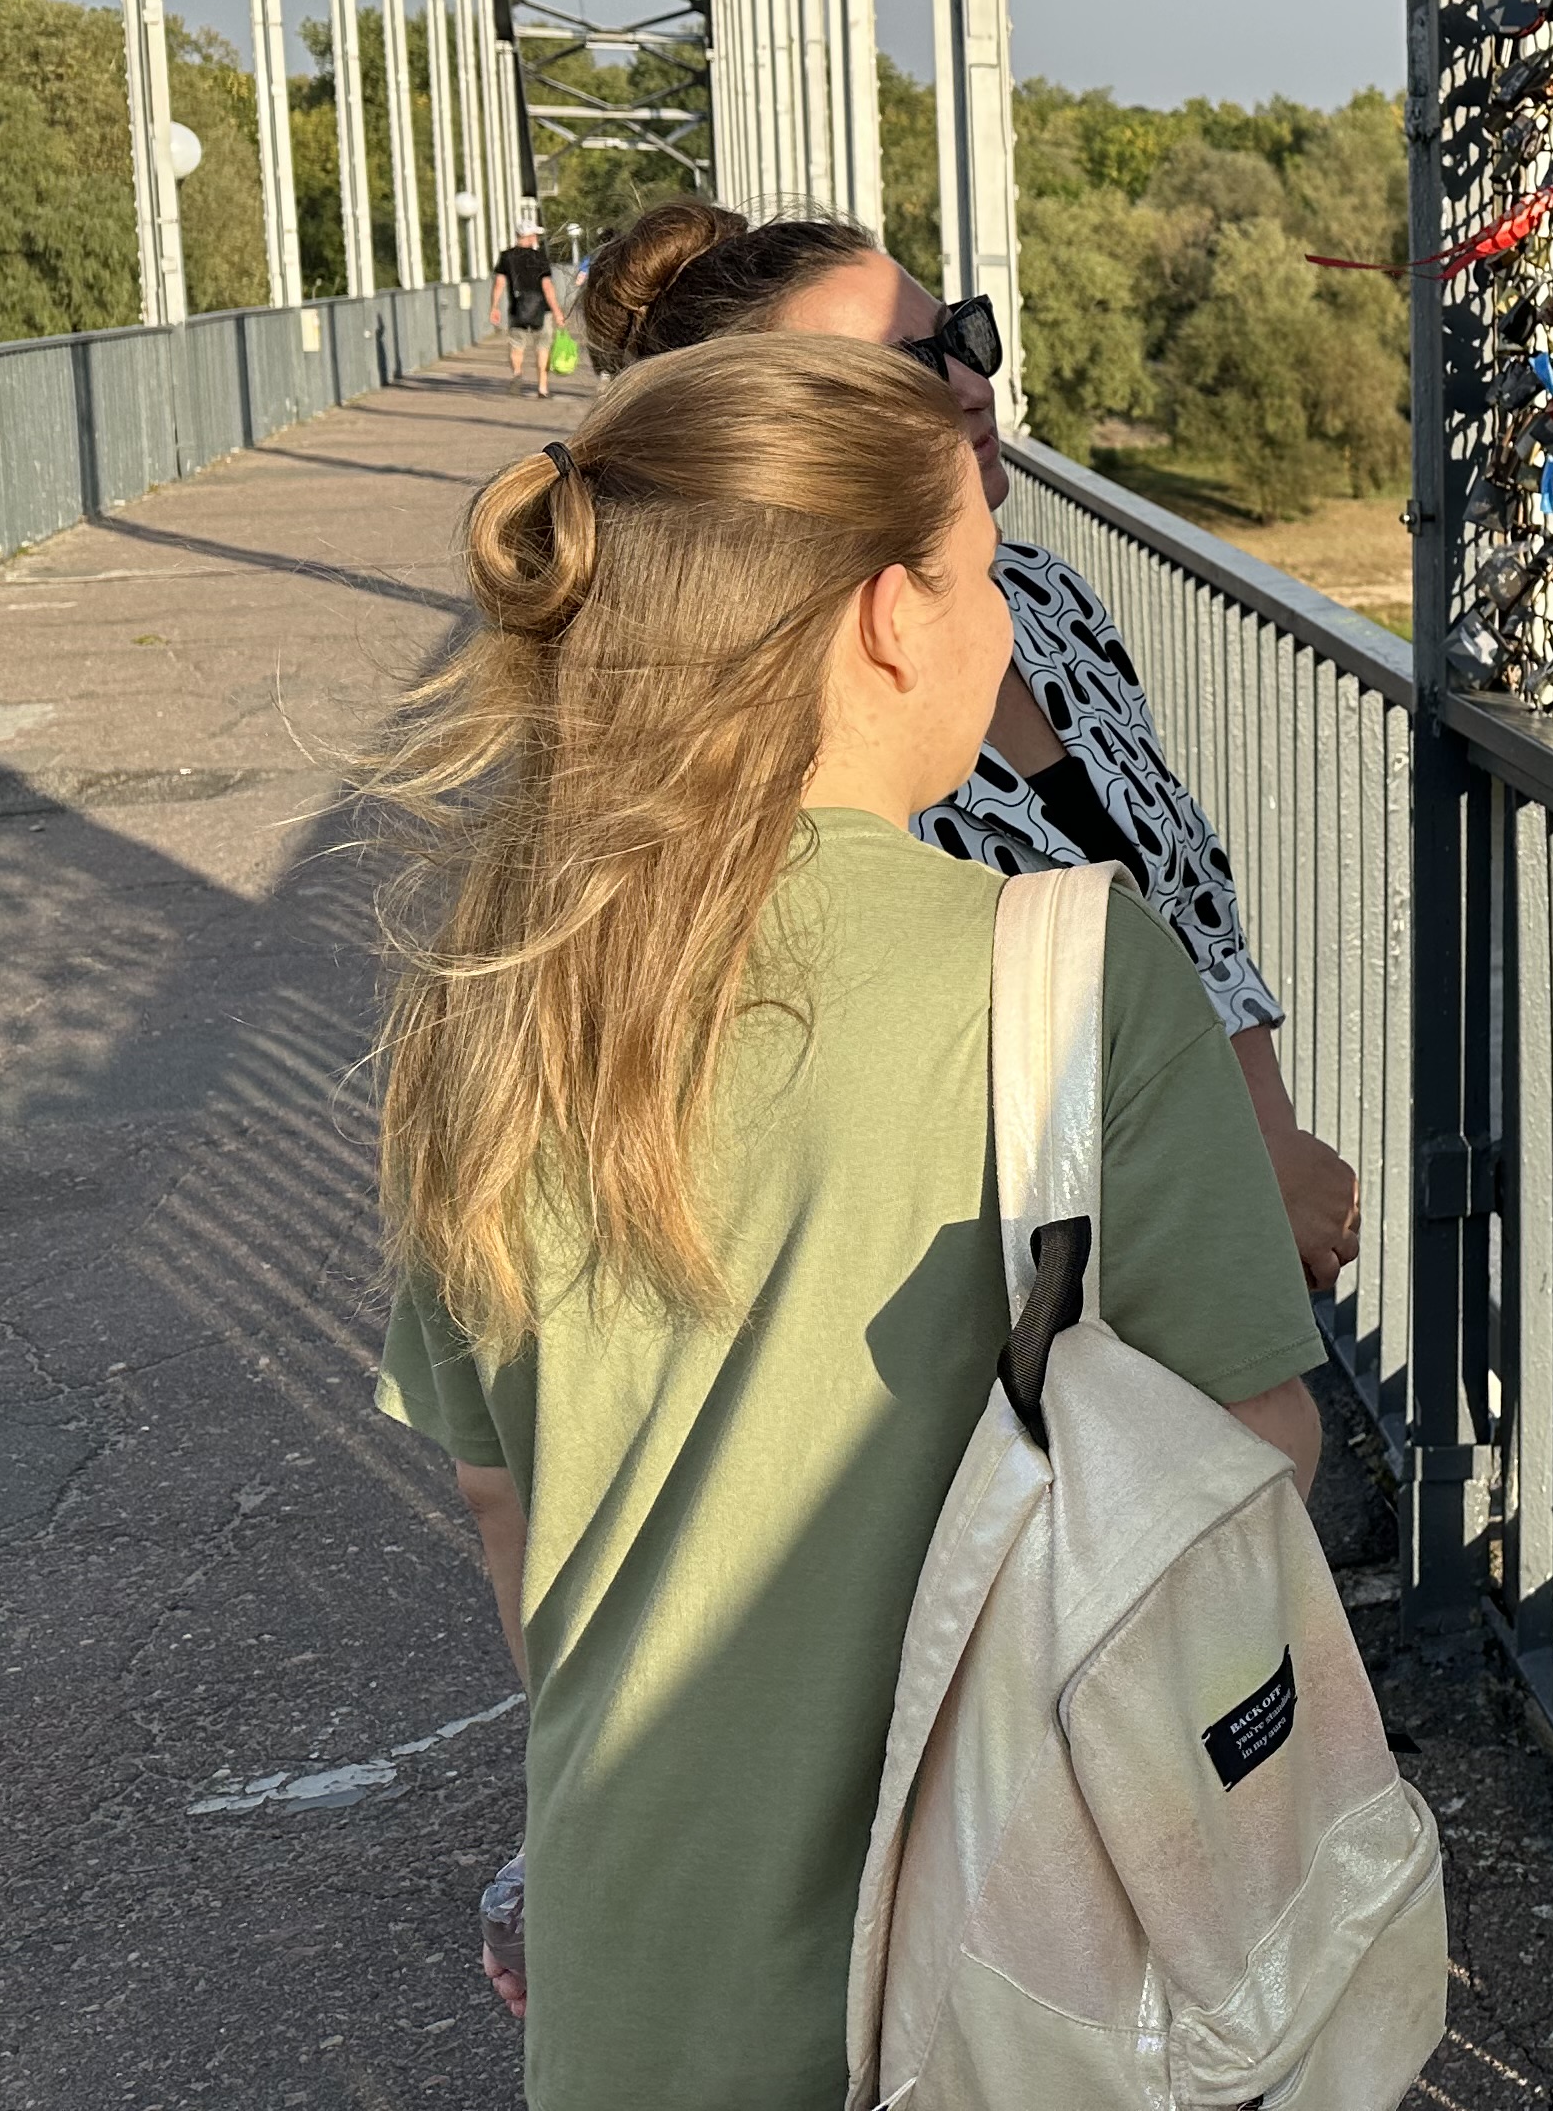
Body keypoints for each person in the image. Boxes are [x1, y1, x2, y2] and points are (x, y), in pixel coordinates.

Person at [364, 334, 1324, 2103]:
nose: (1006, 622)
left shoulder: (488, 991)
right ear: (890, 617)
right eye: (984, 570)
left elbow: (502, 1496)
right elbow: (1250, 1449)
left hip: (631, 1957)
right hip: (1010, 1971)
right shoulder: (1068, 972)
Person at [575, 200, 1364, 1289]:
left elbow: (1190, 901)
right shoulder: (754, 723)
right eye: (908, 367)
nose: (969, 383)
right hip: (1018, 1293)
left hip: (1202, 1213)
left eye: (961, 334)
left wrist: (1263, 1145)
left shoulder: (1038, 599)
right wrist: (1217, 1193)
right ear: (776, 436)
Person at [492, 224, 569, 397]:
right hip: (542, 310)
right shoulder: (539, 257)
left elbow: (499, 283)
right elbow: (547, 286)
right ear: (529, 236)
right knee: (543, 346)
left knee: (517, 345)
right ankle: (542, 387)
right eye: (534, 235)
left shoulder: (507, 256)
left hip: (517, 309)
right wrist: (557, 312)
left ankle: (517, 373)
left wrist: (494, 307)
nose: (536, 238)